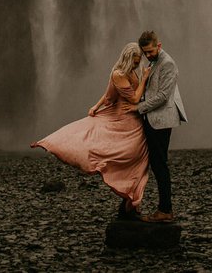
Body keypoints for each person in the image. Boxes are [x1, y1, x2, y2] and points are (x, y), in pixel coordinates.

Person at [31, 42, 152, 218]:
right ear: (127, 59)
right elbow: (131, 98)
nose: (137, 65)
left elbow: (110, 95)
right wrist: (145, 78)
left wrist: (96, 105)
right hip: (123, 121)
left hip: (135, 122)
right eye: (135, 62)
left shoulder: (131, 72)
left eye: (138, 61)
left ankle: (130, 202)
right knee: (121, 156)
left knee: (139, 161)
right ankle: (128, 200)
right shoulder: (118, 74)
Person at [129, 30, 187, 223]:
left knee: (160, 164)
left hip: (161, 121)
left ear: (158, 46)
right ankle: (142, 205)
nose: (148, 55)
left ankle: (165, 210)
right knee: (154, 163)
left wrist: (138, 108)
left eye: (151, 51)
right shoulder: (153, 62)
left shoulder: (168, 63)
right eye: (145, 52)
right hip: (152, 119)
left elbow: (162, 96)